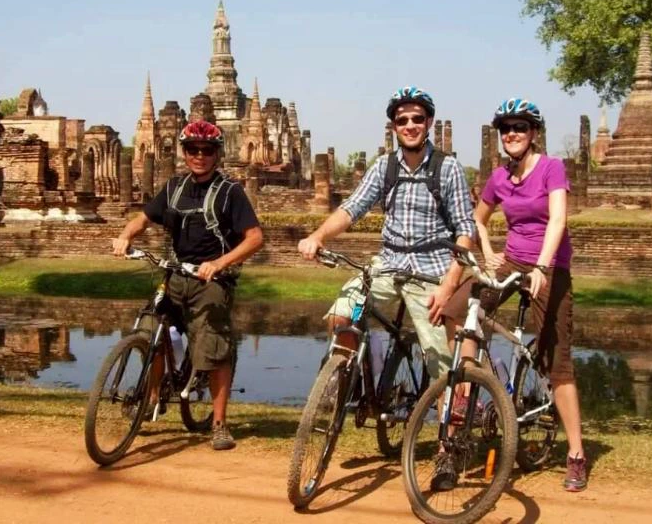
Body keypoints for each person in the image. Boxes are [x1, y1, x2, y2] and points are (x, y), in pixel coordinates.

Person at [442, 97, 588, 492]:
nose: (512, 134)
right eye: (506, 129)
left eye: (520, 128)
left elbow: (558, 219)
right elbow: (477, 217)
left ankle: (576, 453)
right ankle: (468, 388)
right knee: (456, 311)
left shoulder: (551, 168)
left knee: (556, 363)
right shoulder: (499, 177)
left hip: (549, 266)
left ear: (534, 133)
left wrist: (542, 265)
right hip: (511, 262)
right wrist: (488, 250)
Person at [298, 86, 476, 391]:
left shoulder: (448, 169)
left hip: (430, 273)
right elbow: (352, 208)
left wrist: (450, 282)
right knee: (342, 315)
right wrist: (317, 236)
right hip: (387, 268)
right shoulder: (385, 166)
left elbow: (465, 229)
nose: (410, 126)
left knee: (443, 370)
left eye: (417, 119)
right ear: (394, 126)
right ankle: (349, 378)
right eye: (402, 120)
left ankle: (450, 437)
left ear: (429, 122)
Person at [112, 120, 263, 451]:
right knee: (147, 328)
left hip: (211, 280)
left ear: (217, 154)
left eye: (206, 150)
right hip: (176, 274)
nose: (199, 156)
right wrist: (125, 236)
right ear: (184, 153)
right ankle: (152, 395)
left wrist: (221, 263)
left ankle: (220, 424)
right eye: (193, 150)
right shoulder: (174, 188)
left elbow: (255, 238)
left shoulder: (230, 193)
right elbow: (144, 218)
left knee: (213, 345)